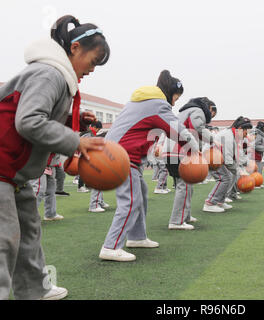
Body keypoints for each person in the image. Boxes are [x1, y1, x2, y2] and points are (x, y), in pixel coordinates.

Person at [0, 15, 109, 300]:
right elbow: (29, 121)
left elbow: (36, 118)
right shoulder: (49, 73)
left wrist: (79, 126)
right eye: (93, 61)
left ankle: (35, 289)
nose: (92, 70)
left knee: (28, 233)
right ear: (75, 49)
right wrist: (76, 141)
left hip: (11, 172)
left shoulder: (56, 74)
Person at [99, 70, 199, 262]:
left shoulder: (142, 101)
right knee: (131, 199)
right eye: (177, 97)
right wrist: (195, 151)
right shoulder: (157, 105)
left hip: (121, 154)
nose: (175, 102)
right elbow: (177, 130)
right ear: (171, 92)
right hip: (121, 155)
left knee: (141, 193)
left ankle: (136, 237)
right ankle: (110, 246)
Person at [165, 97, 217, 229]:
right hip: (180, 152)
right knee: (184, 186)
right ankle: (176, 221)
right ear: (207, 107)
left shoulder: (185, 111)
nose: (212, 115)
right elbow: (197, 127)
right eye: (212, 111)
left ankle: (185, 215)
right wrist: (212, 139)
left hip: (172, 151)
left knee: (185, 186)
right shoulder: (198, 110)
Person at [203, 116, 252, 213]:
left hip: (217, 157)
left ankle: (220, 201)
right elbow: (228, 159)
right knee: (224, 178)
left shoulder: (234, 135)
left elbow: (238, 154)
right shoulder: (228, 136)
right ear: (240, 129)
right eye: (246, 131)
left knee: (229, 176)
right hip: (211, 157)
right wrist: (240, 172)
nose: (247, 135)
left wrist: (243, 167)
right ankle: (210, 203)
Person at [31, 154, 64, 221]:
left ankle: (50, 214)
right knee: (39, 190)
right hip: (39, 162)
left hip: (51, 164)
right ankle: (29, 216)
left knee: (51, 190)